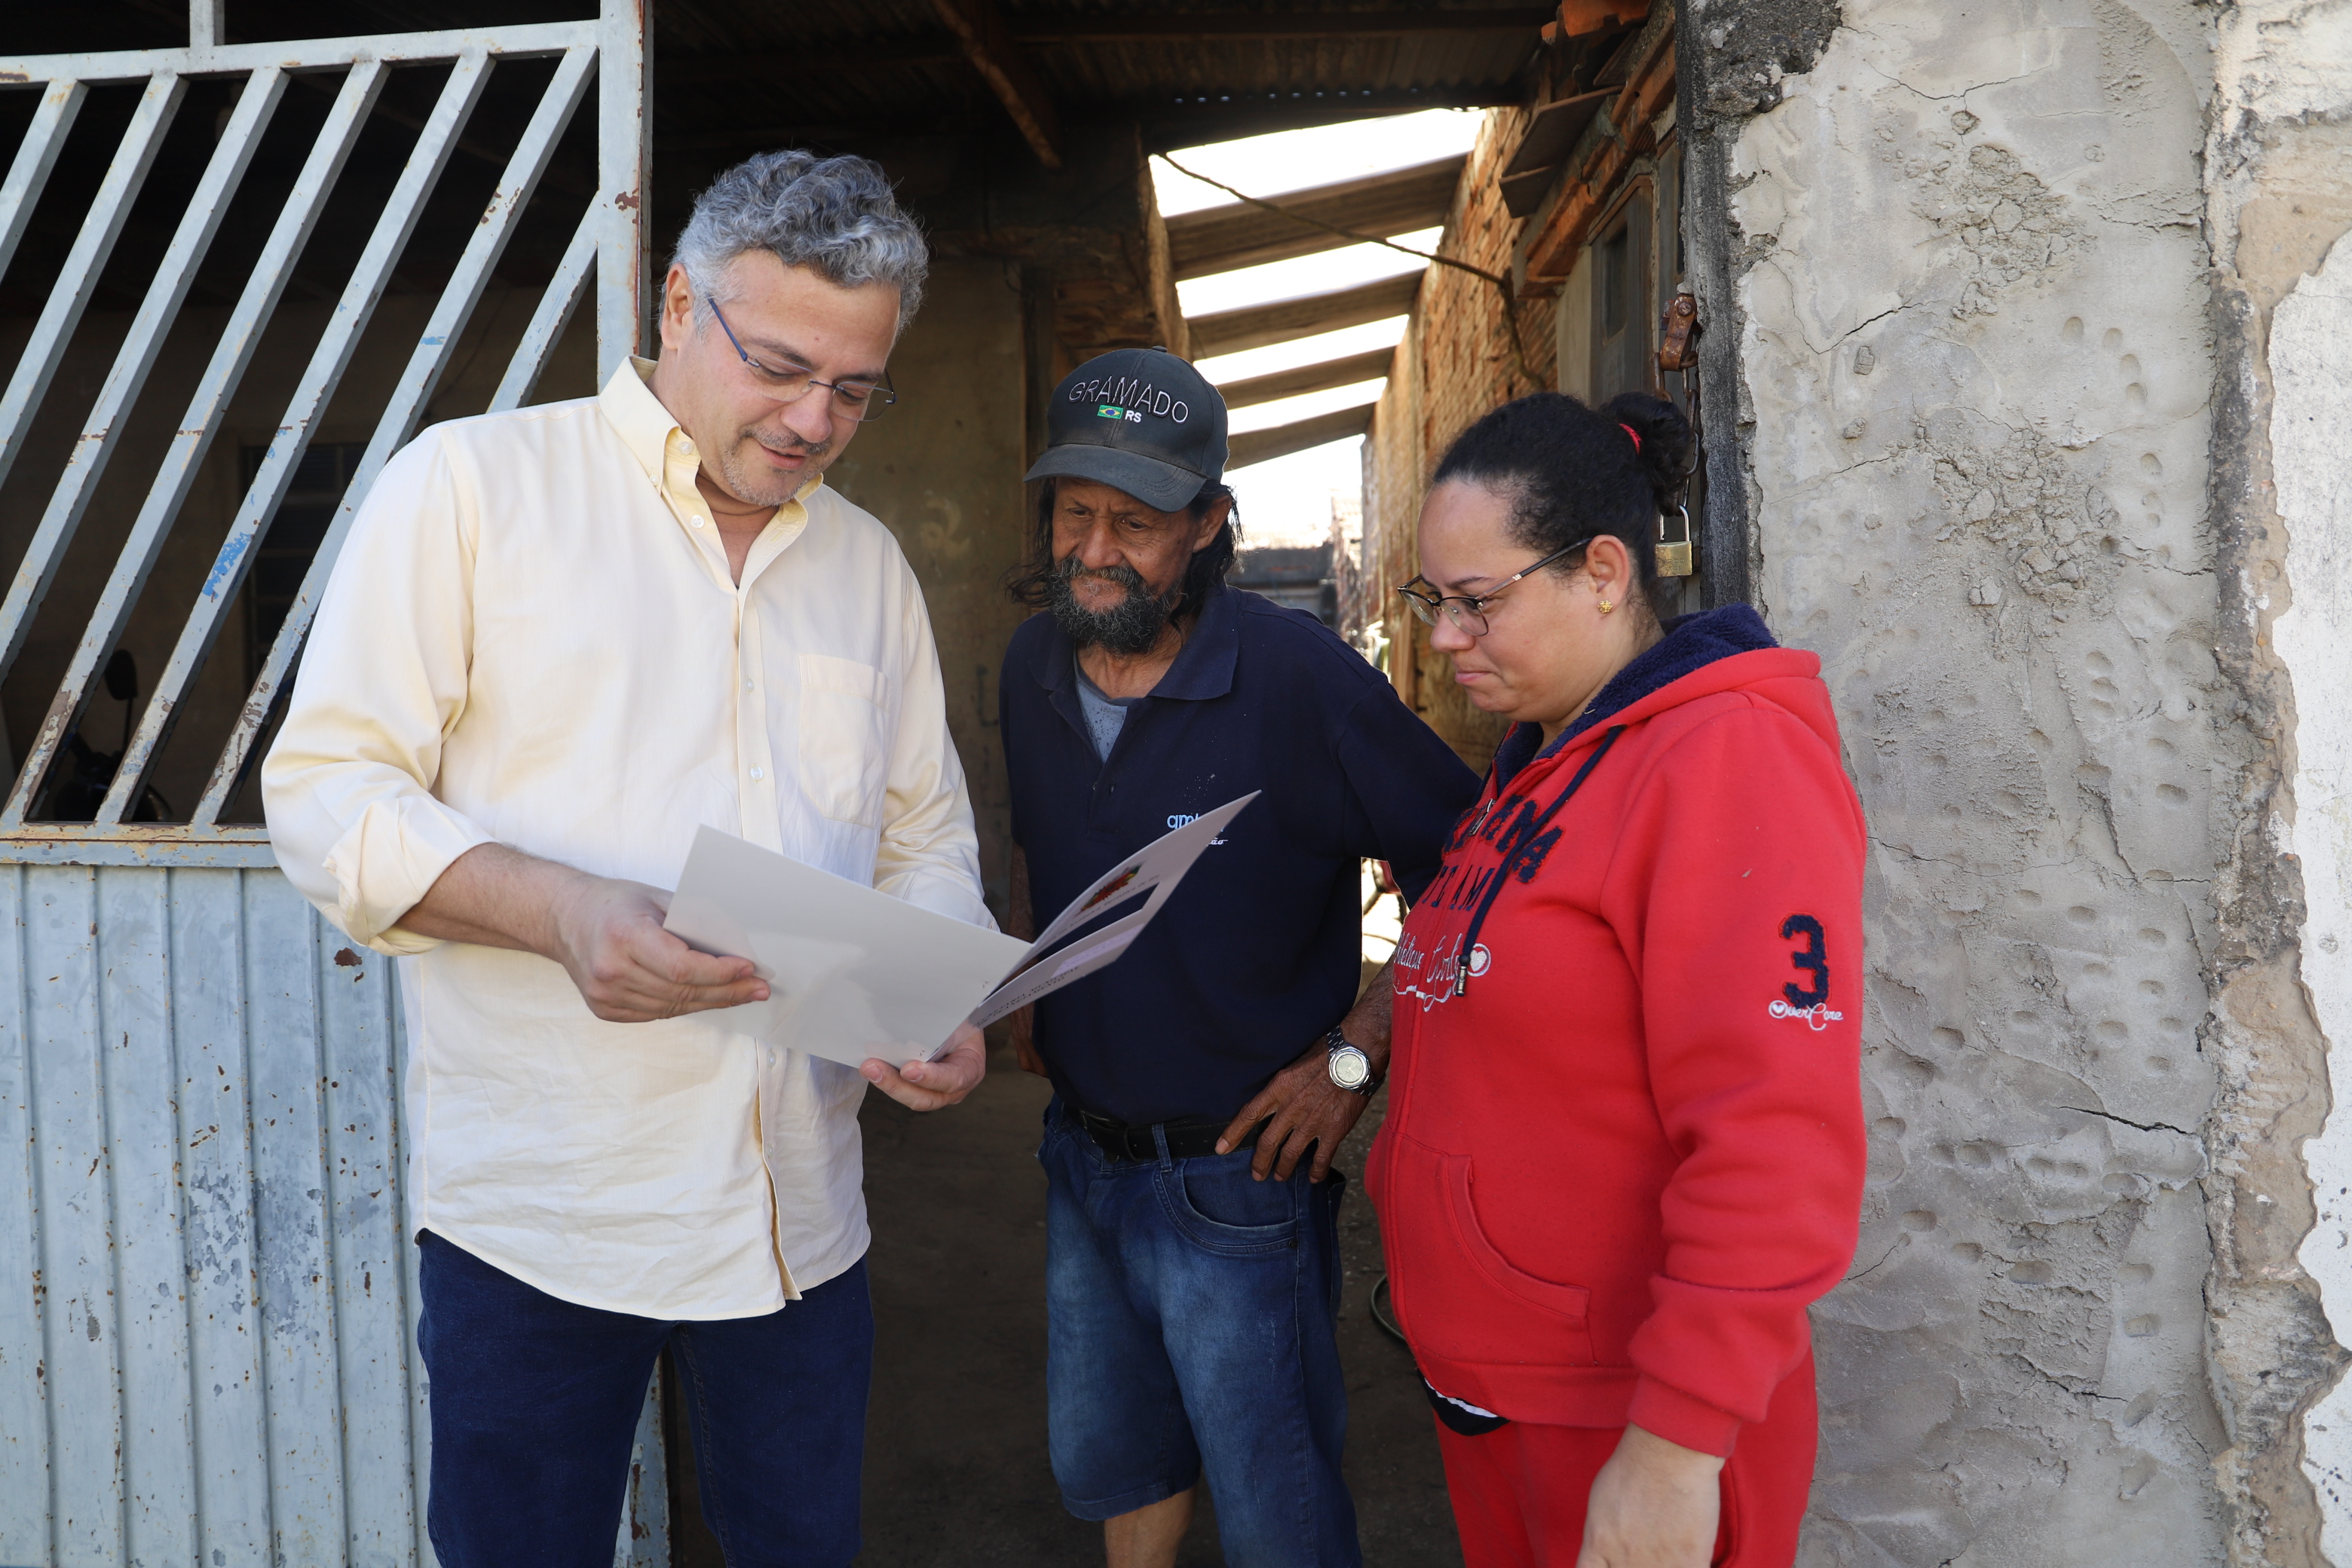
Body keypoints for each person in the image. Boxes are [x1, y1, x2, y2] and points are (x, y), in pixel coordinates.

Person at [262, 152, 990, 1568]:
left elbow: (925, 835)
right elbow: (325, 790)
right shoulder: (474, 491)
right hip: (547, 1221)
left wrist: (933, 996)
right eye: (781, 367)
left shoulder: (867, 565)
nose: (811, 421)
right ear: (677, 303)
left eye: (855, 390)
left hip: (799, 1224)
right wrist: (558, 914)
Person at [998, 348, 1483, 1568]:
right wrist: (1024, 982)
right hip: (1082, 1154)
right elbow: (1045, 851)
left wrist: (1355, 1062)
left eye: (1138, 522)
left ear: (1211, 525)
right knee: (1120, 1461)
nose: (1095, 549)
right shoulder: (1028, 667)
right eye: (1075, 513)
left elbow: (1478, 878)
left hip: (1238, 1182)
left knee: (1277, 1508)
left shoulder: (1301, 683)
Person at [1367, 391, 1866, 1568]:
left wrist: (1675, 1450)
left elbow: (1774, 1138)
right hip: (1506, 1391)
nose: (1444, 638)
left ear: (1601, 570)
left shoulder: (1723, 759)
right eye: (1431, 601)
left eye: (1478, 603)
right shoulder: (1546, 759)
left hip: (1619, 1417)